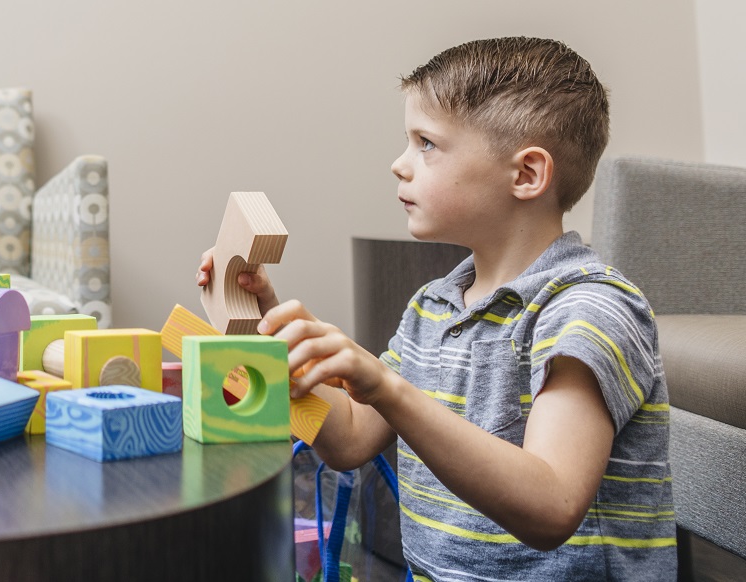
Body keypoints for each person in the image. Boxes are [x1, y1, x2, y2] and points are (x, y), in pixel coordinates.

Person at [199, 37, 674, 580]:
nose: (399, 165)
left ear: (526, 175)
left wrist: (388, 387)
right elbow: (350, 438)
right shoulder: (433, 306)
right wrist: (267, 330)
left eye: (426, 143)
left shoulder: (588, 308)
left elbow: (553, 506)